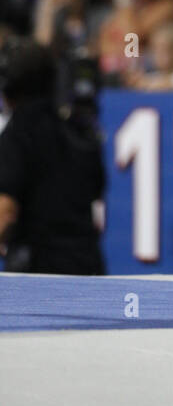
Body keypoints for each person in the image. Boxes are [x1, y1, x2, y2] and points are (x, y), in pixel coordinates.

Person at [0, 40, 105, 274]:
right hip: (86, 267)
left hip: (38, 271)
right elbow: (96, 190)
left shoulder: (17, 134)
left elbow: (5, 212)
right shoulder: (79, 130)